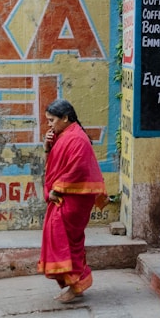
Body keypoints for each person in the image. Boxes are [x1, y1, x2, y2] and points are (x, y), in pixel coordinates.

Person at [37, 99, 108, 303]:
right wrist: (47, 147)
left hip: (72, 198)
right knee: (63, 240)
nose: (49, 124)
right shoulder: (63, 136)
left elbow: (77, 171)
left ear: (66, 118)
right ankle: (74, 282)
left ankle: (79, 281)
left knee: (67, 241)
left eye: (52, 120)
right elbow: (52, 167)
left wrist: (56, 190)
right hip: (63, 196)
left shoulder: (76, 139)